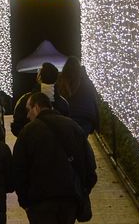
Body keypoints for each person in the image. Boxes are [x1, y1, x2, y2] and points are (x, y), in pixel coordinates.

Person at [12, 93, 96, 224]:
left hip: (40, 201)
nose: (28, 115)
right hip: (69, 198)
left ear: (37, 107)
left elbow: (18, 169)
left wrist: (25, 201)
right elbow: (89, 164)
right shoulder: (73, 127)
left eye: (28, 110)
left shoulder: (28, 132)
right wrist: (82, 190)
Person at [11, 63, 70, 136]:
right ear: (56, 79)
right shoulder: (63, 103)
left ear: (39, 78)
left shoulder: (24, 100)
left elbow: (16, 128)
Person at [57, 59, 99, 137]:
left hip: (67, 118)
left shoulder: (61, 81)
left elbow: (58, 100)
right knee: (80, 141)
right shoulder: (86, 81)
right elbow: (93, 99)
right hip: (85, 118)